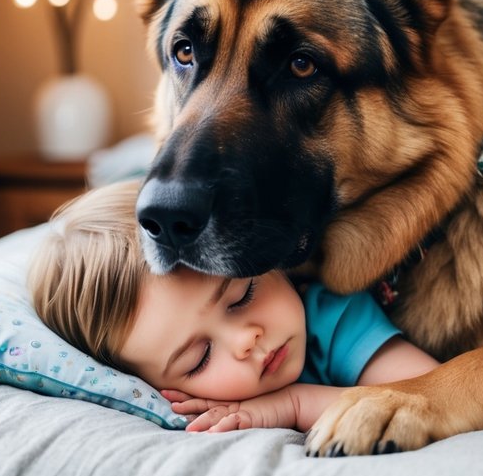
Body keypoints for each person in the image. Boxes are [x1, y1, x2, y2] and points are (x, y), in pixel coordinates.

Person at [28, 180, 439, 433]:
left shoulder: (332, 316)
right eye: (200, 357)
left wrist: (292, 404)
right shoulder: (189, 406)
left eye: (242, 295)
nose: (246, 340)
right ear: (161, 389)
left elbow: (429, 394)